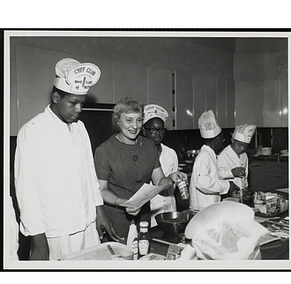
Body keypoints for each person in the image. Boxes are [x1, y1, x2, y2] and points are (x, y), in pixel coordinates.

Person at [14, 58, 121, 260]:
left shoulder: (79, 128)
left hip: (87, 225)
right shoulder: (33, 131)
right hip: (56, 232)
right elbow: (26, 191)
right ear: (56, 97)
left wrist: (99, 212)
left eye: (82, 103)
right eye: (73, 103)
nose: (79, 109)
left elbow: (89, 173)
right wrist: (38, 241)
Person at [94, 98, 186, 238]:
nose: (135, 126)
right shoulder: (104, 150)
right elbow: (102, 190)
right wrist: (123, 203)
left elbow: (159, 180)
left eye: (139, 120)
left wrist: (171, 178)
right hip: (117, 217)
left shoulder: (149, 146)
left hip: (143, 217)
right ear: (118, 121)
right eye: (129, 120)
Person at [189, 110, 239, 211]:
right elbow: (202, 182)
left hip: (209, 206)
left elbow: (213, 175)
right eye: (222, 140)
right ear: (217, 139)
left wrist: (230, 173)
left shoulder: (210, 154)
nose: (222, 143)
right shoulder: (204, 156)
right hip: (202, 208)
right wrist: (227, 185)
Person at [142, 104, 178, 227]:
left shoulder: (171, 153)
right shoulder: (139, 154)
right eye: (153, 130)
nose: (157, 134)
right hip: (150, 213)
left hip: (170, 209)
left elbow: (174, 186)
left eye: (161, 129)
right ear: (143, 130)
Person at [218, 124, 257, 189]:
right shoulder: (223, 155)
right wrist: (232, 173)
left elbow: (245, 175)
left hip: (241, 191)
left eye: (245, 146)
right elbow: (218, 174)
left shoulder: (244, 155)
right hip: (227, 192)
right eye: (239, 145)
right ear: (233, 140)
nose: (242, 148)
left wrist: (246, 187)